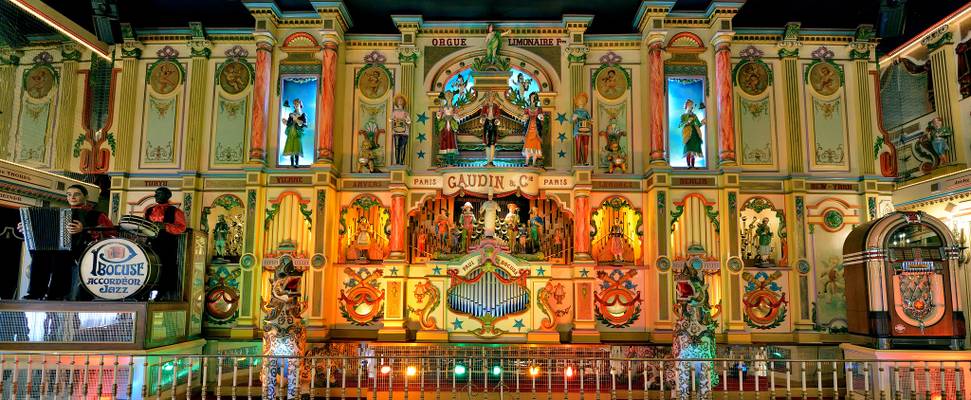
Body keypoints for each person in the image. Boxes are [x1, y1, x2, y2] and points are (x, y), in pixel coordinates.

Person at [18, 184, 113, 300]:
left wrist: (85, 230)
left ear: (86, 197)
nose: (72, 197)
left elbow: (110, 233)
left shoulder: (97, 215)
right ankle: (35, 293)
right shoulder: (59, 212)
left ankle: (56, 294)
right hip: (58, 250)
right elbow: (43, 232)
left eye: (77, 194)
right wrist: (27, 228)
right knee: (40, 254)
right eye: (69, 195)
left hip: (82, 250)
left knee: (61, 255)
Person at [144, 187, 187, 300]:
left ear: (167, 196)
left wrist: (165, 226)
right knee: (150, 265)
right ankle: (148, 289)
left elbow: (182, 228)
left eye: (158, 193)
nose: (155, 195)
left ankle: (163, 293)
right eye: (155, 193)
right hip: (152, 243)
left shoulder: (176, 211)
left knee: (167, 267)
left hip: (168, 244)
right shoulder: (149, 210)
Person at [679, 99, 704, 169]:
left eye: (692, 105)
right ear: (686, 105)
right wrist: (687, 121)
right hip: (687, 133)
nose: (691, 106)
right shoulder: (683, 115)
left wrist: (702, 123)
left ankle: (692, 166)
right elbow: (680, 125)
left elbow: (698, 124)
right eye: (690, 105)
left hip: (695, 133)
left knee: (693, 151)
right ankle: (688, 165)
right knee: (688, 149)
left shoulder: (694, 115)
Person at [282, 99, 307, 168]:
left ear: (300, 105)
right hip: (291, 132)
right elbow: (289, 123)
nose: (296, 105)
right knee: (291, 147)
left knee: (297, 146)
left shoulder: (303, 114)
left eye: (297, 104)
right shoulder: (291, 114)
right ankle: (292, 164)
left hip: (297, 132)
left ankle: (297, 163)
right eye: (295, 104)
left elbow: (304, 124)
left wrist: (297, 120)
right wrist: (285, 122)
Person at [437, 91, 459, 166]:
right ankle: (447, 161)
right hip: (445, 125)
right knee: (445, 142)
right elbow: (439, 117)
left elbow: (457, 118)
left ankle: (451, 161)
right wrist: (440, 113)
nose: (449, 97)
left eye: (450, 96)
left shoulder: (454, 107)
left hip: (451, 125)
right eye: (447, 96)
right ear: (445, 97)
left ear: (452, 97)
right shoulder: (443, 107)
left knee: (451, 141)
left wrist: (453, 115)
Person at [522, 93, 544, 167]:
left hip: (536, 129)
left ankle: (534, 162)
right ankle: (527, 162)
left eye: (534, 97)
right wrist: (525, 118)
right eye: (532, 97)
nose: (533, 99)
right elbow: (524, 119)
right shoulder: (527, 109)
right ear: (530, 99)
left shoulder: (539, 109)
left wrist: (540, 117)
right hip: (529, 129)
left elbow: (541, 118)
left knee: (536, 145)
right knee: (528, 145)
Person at [480, 92, 502, 166]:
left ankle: (491, 161)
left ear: (494, 98)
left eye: (492, 96)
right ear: (488, 97)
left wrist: (497, 119)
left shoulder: (496, 106)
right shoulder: (485, 106)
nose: (491, 98)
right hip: (486, 124)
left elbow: (498, 115)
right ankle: (488, 160)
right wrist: (483, 118)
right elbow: (482, 114)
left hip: (493, 124)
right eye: (490, 96)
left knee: (492, 143)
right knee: (487, 143)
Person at [571, 93, 592, 165]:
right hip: (578, 129)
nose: (581, 101)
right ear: (577, 101)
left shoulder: (586, 112)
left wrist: (590, 121)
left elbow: (590, 120)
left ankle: (585, 160)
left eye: (583, 99)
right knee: (578, 145)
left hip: (586, 129)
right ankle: (578, 160)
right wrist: (574, 118)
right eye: (580, 99)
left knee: (586, 145)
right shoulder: (576, 111)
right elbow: (571, 120)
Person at [391, 94, 412, 165]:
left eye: (401, 100)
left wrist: (405, 119)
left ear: (403, 102)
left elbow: (409, 122)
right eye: (399, 100)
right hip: (396, 131)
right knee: (397, 146)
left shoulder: (406, 113)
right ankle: (397, 162)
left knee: (403, 147)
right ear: (397, 102)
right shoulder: (394, 112)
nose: (400, 101)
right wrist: (394, 119)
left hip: (404, 131)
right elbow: (390, 120)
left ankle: (401, 162)